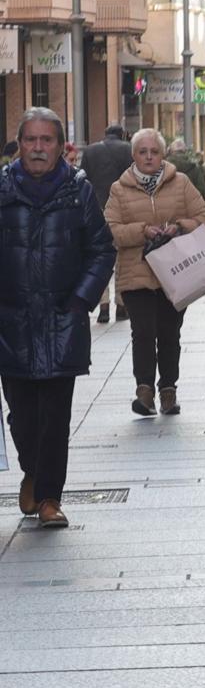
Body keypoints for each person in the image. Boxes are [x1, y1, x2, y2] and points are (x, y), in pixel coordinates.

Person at [0, 107, 116, 528]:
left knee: (55, 416)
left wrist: (80, 301)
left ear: (60, 146)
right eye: (30, 140)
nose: (36, 148)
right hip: (11, 324)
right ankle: (32, 469)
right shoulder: (3, 188)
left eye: (45, 140)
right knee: (21, 415)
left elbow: (102, 250)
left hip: (62, 322)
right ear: (19, 144)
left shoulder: (77, 190)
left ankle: (50, 498)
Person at [105, 129, 205, 416]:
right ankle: (144, 391)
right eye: (143, 151)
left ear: (162, 154)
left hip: (175, 273)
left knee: (169, 332)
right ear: (134, 155)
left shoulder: (181, 182)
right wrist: (142, 231)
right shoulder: (120, 188)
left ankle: (168, 390)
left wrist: (179, 225)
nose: (149, 156)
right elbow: (111, 230)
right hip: (136, 272)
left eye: (154, 151)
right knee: (142, 332)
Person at [81, 125, 134, 323]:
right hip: (122, 210)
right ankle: (121, 306)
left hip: (96, 210)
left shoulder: (90, 151)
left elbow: (83, 180)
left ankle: (102, 307)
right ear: (122, 134)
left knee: (100, 257)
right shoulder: (128, 149)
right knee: (121, 258)